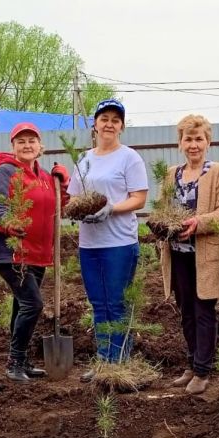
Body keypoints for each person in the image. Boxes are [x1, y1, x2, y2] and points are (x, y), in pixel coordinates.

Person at [67, 99, 149, 381]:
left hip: (119, 244)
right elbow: (74, 196)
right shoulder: (85, 159)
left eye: (116, 119)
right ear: (95, 125)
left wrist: (111, 208)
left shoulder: (129, 157)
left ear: (122, 127)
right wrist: (82, 209)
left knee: (116, 303)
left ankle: (119, 363)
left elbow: (139, 197)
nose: (109, 124)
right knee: (98, 304)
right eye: (105, 118)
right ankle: (104, 361)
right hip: (89, 244)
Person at [0, 122, 70, 382]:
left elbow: (60, 208)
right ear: (13, 146)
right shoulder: (5, 173)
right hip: (12, 252)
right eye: (21, 141)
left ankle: (20, 360)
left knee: (23, 305)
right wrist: (9, 223)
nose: (27, 145)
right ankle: (14, 360)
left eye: (32, 140)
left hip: (38, 253)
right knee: (33, 304)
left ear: (40, 145)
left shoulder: (45, 177)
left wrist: (62, 184)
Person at [159, 115, 219, 395]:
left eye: (198, 138)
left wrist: (197, 223)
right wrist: (162, 224)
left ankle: (203, 370)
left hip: (205, 256)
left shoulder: (218, 172)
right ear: (180, 143)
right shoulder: (171, 174)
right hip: (178, 255)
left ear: (208, 141)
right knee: (186, 312)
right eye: (188, 139)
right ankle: (191, 364)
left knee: (204, 311)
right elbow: (164, 210)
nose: (193, 144)